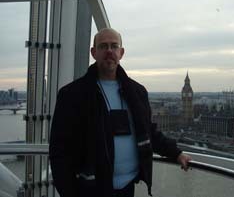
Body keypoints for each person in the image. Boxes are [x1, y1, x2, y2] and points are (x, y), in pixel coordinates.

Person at [49, 28, 191, 197]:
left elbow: (148, 132)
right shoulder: (72, 94)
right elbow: (59, 151)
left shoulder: (137, 92)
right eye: (103, 46)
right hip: (90, 190)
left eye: (114, 46)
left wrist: (176, 153)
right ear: (94, 53)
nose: (109, 51)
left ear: (121, 53)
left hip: (127, 187)